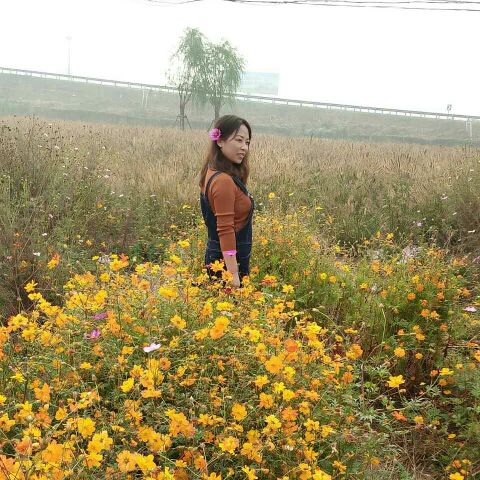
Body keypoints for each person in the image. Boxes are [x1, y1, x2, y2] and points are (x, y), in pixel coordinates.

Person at [199, 115, 254, 288]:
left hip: (220, 256)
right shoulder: (223, 180)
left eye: (247, 142)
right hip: (226, 263)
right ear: (220, 141)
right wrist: (233, 274)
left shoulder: (213, 171)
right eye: (239, 140)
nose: (244, 147)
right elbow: (225, 229)